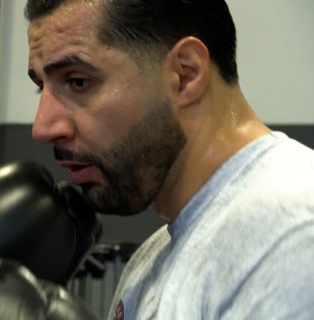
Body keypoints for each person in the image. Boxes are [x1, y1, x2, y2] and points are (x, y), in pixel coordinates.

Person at [25, 0, 314, 319]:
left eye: (78, 81)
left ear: (185, 74)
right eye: (42, 86)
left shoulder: (291, 238)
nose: (43, 127)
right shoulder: (152, 259)